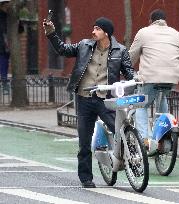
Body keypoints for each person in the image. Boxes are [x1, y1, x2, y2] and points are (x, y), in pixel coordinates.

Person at [43, 16, 133, 188]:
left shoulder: (120, 51)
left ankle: (125, 160)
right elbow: (63, 49)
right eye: (93, 28)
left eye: (97, 29)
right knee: (84, 142)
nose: (93, 31)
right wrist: (51, 32)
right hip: (84, 99)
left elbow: (130, 73)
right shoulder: (84, 45)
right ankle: (86, 178)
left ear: (106, 32)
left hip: (106, 100)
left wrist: (136, 81)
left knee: (120, 132)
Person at [129, 9, 179, 142]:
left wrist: (124, 69)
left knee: (141, 105)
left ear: (150, 21)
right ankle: (161, 136)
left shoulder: (144, 32)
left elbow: (131, 57)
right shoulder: (176, 34)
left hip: (150, 78)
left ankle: (144, 139)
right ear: (165, 21)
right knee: (162, 96)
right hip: (172, 78)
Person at [0, 0, 10, 92]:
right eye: (7, 2)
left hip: (5, 44)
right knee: (3, 63)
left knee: (5, 64)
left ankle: (4, 83)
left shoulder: (7, 15)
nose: (9, 4)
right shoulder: (2, 16)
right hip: (2, 44)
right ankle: (4, 84)